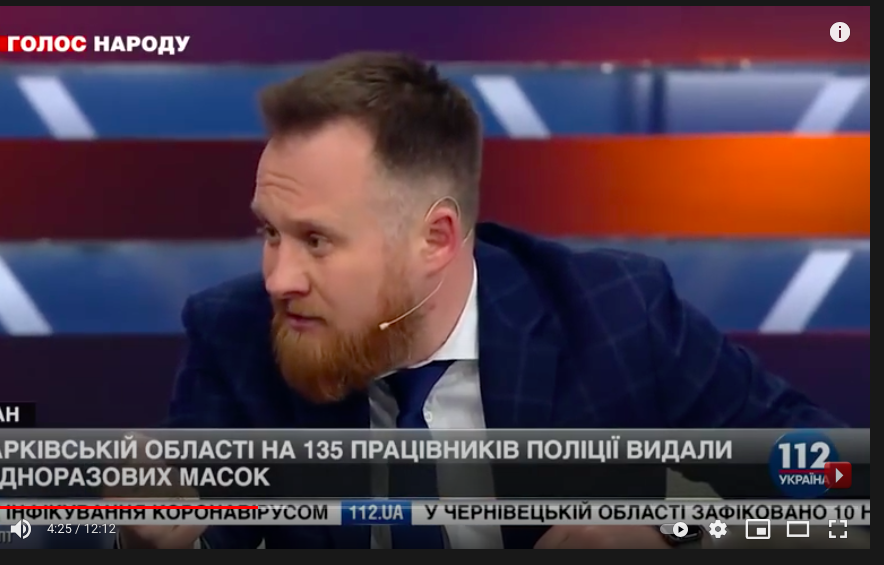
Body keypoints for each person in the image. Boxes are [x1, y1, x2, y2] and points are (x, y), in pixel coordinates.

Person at [118, 52, 843, 549]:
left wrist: (674, 534)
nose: (279, 277)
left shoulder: (616, 312)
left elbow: (835, 481)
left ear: (435, 238)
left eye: (316, 240)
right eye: (270, 233)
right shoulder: (237, 333)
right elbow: (198, 524)